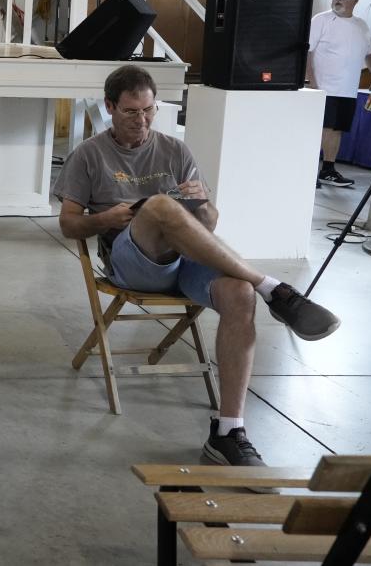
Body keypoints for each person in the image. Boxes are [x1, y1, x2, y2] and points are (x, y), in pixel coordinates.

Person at [55, 65, 340, 469]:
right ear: (109, 108)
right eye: (131, 112)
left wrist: (203, 202)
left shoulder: (175, 149)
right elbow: (68, 224)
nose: (142, 121)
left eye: (149, 110)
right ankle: (272, 287)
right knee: (158, 205)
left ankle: (229, 431)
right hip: (131, 260)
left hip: (184, 262)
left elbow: (207, 225)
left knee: (239, 295)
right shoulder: (89, 154)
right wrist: (106, 218)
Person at [307, 0, 371, 187]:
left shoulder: (361, 26)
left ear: (355, 0)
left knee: (336, 129)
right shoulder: (321, 20)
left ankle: (328, 170)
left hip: (347, 90)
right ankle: (308, 169)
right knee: (321, 127)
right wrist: (312, 82)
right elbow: (307, 51)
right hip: (322, 88)